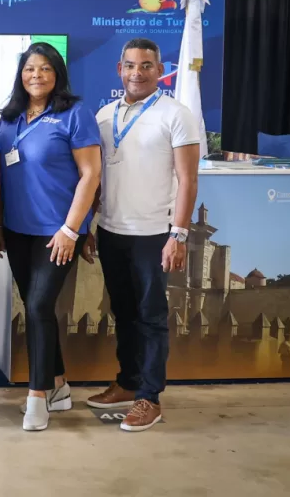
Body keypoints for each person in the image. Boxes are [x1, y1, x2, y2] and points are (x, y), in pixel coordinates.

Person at [83, 37, 200, 432]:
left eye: (146, 65)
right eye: (130, 65)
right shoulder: (104, 114)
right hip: (112, 231)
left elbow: (188, 180)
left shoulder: (176, 114)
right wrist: (89, 226)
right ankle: (128, 382)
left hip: (154, 233)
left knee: (151, 317)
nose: (137, 72)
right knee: (124, 313)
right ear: (120, 70)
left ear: (160, 71)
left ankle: (149, 397)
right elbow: (96, 178)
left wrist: (178, 235)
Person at [0, 42, 102, 431]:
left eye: (44, 68)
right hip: (17, 231)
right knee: (35, 307)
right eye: (29, 69)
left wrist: (73, 229)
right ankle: (59, 385)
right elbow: (0, 177)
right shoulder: (9, 119)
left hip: (58, 232)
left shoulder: (75, 114)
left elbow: (91, 174)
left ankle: (36, 396)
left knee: (39, 306)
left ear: (58, 74)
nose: (36, 75)